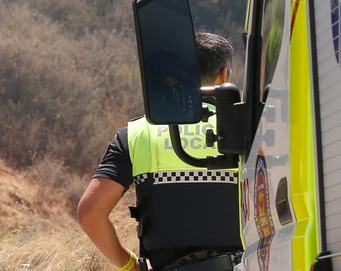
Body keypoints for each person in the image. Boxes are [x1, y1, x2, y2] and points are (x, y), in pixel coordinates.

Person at [77, 32, 241, 271]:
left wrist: (131, 265)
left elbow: (90, 214)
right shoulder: (257, 129)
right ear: (224, 74)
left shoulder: (136, 134)